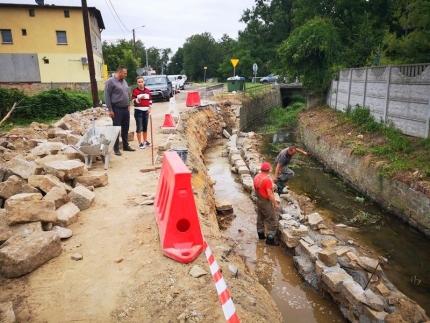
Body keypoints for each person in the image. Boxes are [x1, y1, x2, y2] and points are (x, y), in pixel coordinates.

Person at [104, 65, 135, 156]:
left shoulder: (124, 81)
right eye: (124, 73)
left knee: (125, 128)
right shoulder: (110, 82)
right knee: (116, 129)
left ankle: (126, 145)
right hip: (116, 109)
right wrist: (110, 109)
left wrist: (128, 103)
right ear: (120, 72)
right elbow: (107, 96)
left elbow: (127, 92)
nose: (126, 75)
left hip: (125, 109)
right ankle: (116, 148)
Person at [254, 162, 281, 246]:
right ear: (268, 170)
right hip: (265, 202)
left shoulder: (256, 176)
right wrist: (276, 204)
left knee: (260, 218)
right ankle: (270, 240)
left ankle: (261, 236)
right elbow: (269, 194)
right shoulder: (267, 180)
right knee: (273, 221)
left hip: (259, 201)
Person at [132, 76, 152, 149]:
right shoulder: (135, 91)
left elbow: (150, 100)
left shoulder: (147, 91)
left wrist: (150, 108)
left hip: (146, 111)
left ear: (144, 82)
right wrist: (138, 99)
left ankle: (145, 141)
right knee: (139, 127)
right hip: (138, 111)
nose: (140, 83)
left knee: (145, 127)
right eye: (139, 82)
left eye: (141, 82)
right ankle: (140, 143)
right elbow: (133, 101)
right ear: (137, 83)